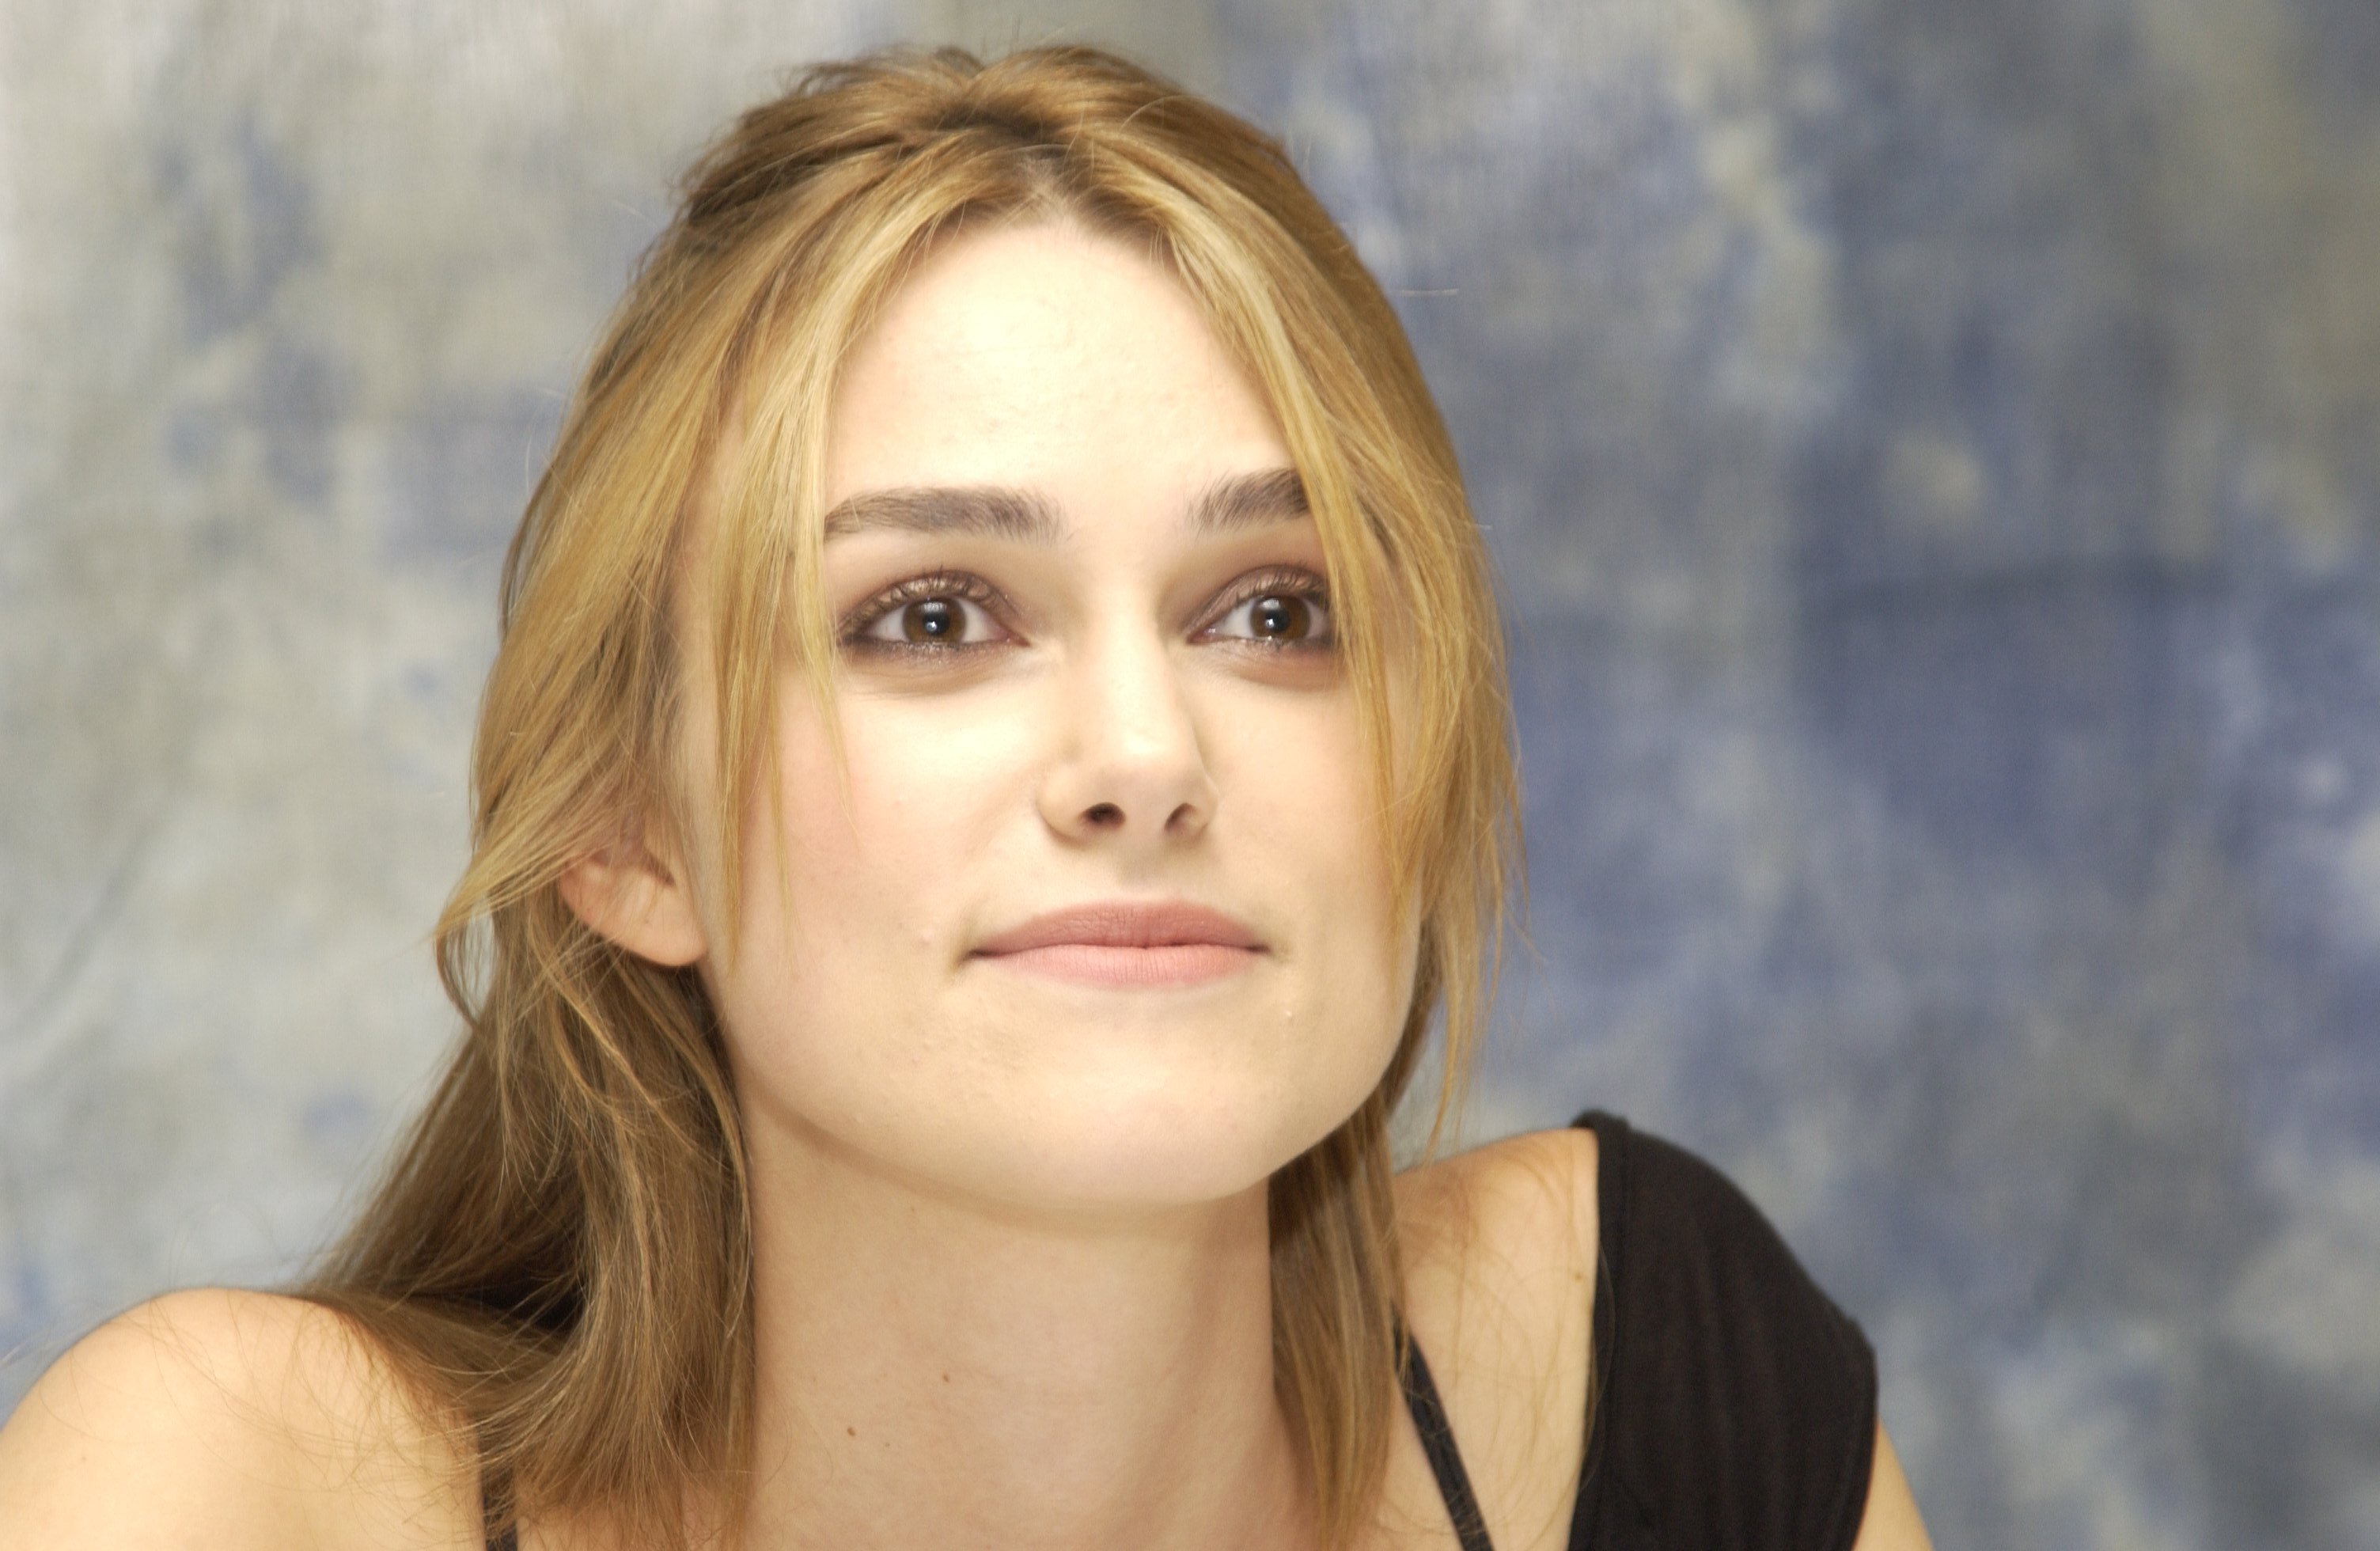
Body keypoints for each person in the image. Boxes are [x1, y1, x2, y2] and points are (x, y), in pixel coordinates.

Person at [0, 44, 1931, 1551]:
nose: (1145, 758)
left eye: (1274, 610)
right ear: (625, 830)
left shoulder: (1638, 1377)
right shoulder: (245, 1484)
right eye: (931, 616)